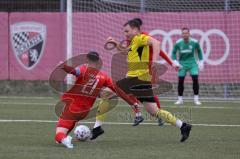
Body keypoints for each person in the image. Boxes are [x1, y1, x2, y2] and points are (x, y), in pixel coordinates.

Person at [105, 18, 192, 142]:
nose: (125, 34)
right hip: (140, 80)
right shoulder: (134, 41)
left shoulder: (140, 38)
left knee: (112, 87)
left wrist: (155, 62)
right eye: (124, 32)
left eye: (127, 31)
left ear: (135, 29)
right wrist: (115, 44)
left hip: (138, 78)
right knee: (154, 111)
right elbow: (125, 52)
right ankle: (183, 126)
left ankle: (133, 105)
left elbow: (156, 43)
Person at [55, 51, 140, 148]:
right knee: (69, 125)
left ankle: (65, 139)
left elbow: (74, 71)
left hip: (72, 107)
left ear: (86, 59)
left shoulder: (83, 69)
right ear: (98, 61)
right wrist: (132, 103)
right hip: (84, 111)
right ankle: (65, 136)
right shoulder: (104, 77)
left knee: (58, 136)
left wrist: (63, 67)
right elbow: (119, 91)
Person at [171, 27, 204, 105]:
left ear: (189, 34)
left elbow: (199, 51)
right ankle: (180, 99)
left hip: (192, 63)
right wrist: (175, 61)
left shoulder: (195, 42)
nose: (185, 34)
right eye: (183, 33)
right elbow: (173, 53)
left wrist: (201, 61)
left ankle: (196, 99)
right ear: (181, 35)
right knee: (180, 80)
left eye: (186, 33)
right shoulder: (178, 43)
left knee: (195, 79)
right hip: (182, 64)